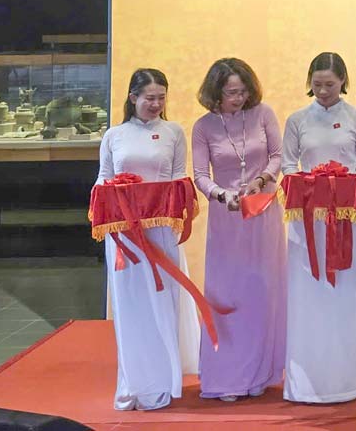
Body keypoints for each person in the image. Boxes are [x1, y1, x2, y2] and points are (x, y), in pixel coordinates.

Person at [95, 68, 199, 411]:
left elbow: (179, 180)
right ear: (133, 98)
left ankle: (164, 380)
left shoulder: (173, 132)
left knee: (162, 300)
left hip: (160, 231)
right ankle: (134, 381)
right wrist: (114, 197)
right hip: (123, 236)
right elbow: (102, 179)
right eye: (149, 98)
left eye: (161, 98)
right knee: (130, 305)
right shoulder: (114, 135)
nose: (156, 104)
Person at [280, 52, 356, 404]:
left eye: (330, 85)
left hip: (346, 221)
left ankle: (346, 379)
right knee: (308, 295)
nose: (322, 91)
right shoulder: (297, 120)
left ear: (343, 81)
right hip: (306, 222)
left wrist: (339, 183)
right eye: (317, 84)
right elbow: (288, 167)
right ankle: (306, 382)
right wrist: (313, 182)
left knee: (345, 294)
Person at [190, 58, 285, 401]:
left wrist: (262, 179)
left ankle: (260, 373)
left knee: (262, 291)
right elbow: (201, 175)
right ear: (215, 92)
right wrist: (221, 194)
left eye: (243, 91)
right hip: (227, 218)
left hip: (262, 212)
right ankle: (227, 376)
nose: (238, 98)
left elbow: (278, 155)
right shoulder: (203, 127)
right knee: (227, 294)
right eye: (231, 92)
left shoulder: (264, 114)